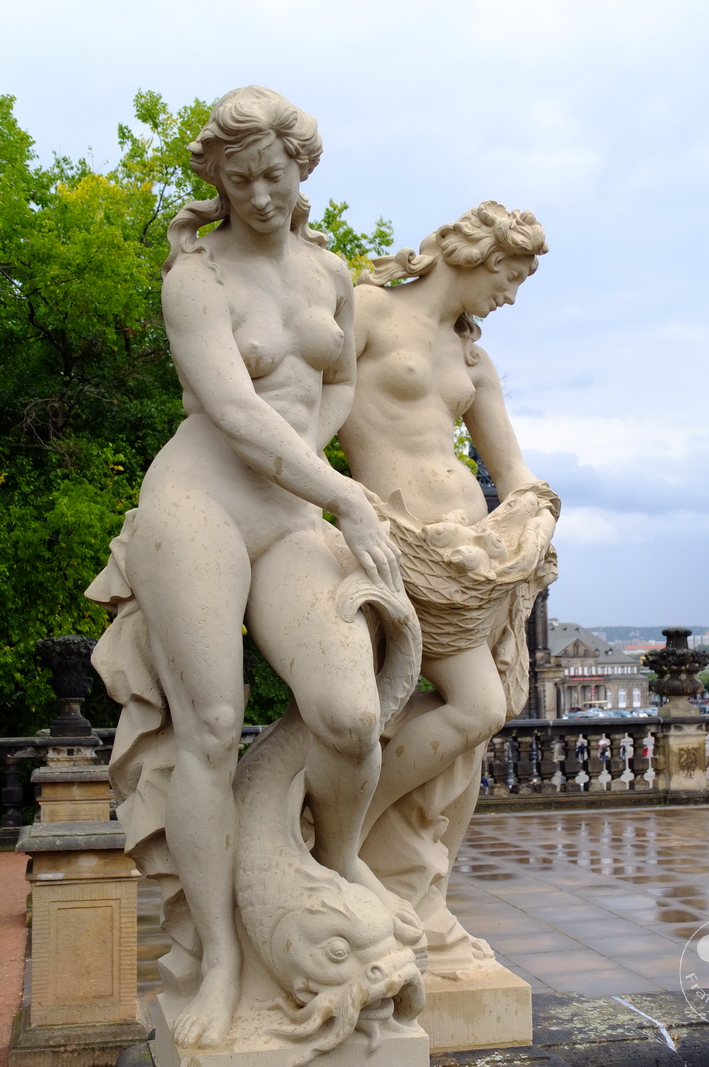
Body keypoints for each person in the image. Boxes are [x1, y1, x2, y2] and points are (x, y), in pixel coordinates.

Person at [88, 86, 410, 1050]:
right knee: (213, 728)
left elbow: (342, 371)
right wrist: (347, 494)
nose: (260, 194)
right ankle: (222, 957)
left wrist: (319, 450)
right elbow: (230, 408)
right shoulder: (197, 278)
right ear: (217, 182)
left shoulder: (331, 272)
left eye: (275, 174)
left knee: (349, 714)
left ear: (301, 172)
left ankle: (340, 856)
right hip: (200, 503)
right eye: (239, 179)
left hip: (290, 505)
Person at [338, 203, 559, 920]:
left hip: (475, 560)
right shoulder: (366, 309)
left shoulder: (473, 359)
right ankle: (336, 840)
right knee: (478, 706)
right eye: (510, 274)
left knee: (478, 721)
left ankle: (411, 879)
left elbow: (516, 471)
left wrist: (534, 517)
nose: (513, 295)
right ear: (474, 254)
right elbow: (304, 419)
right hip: (397, 542)